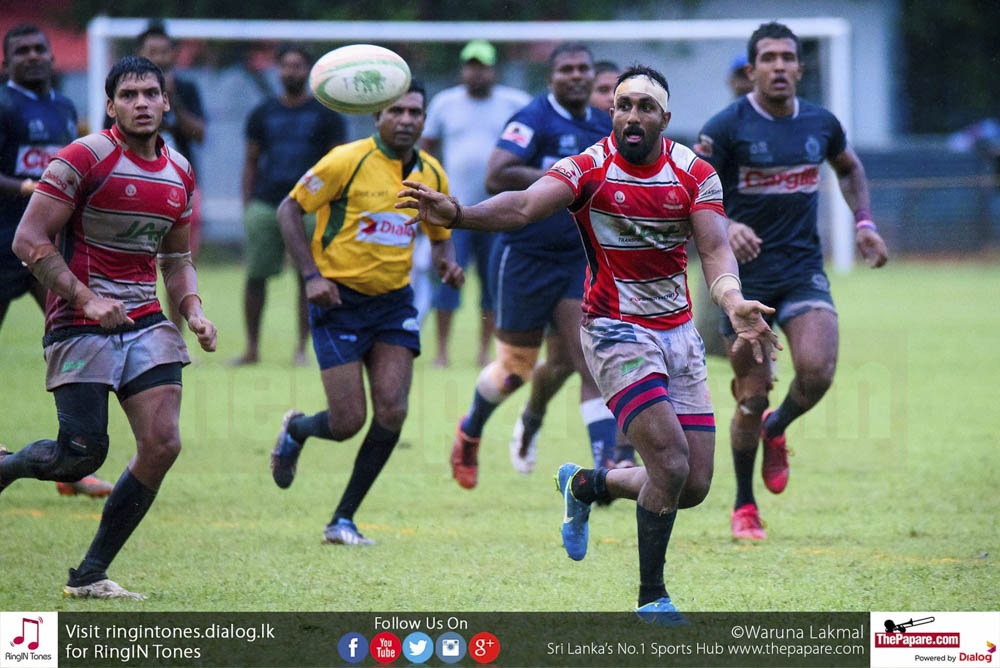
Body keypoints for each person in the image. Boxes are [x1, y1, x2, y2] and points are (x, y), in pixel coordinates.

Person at [398, 65, 779, 621]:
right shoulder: (588, 167)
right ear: (611, 114)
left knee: (693, 484)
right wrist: (458, 214)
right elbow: (523, 206)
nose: (632, 115)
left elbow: (716, 249)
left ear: (665, 119)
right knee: (670, 463)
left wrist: (732, 299)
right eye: (623, 105)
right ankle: (652, 597)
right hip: (613, 331)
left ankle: (585, 483)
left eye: (645, 107)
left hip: (678, 334)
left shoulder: (695, 173)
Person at [0, 56, 218, 599]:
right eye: (128, 95)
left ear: (166, 102)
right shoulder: (84, 158)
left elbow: (176, 258)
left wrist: (192, 309)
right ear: (110, 106)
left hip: (145, 321)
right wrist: (88, 298)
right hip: (79, 321)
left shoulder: (180, 171)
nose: (141, 103)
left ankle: (90, 574)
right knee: (80, 455)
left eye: (150, 94)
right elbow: (28, 240)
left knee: (162, 443)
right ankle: (6, 466)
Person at [694, 22, 888, 541]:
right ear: (752, 69)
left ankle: (777, 429)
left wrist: (864, 223)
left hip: (802, 270)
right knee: (751, 396)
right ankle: (744, 504)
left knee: (818, 372)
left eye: (787, 57)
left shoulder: (821, 123)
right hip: (743, 283)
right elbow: (690, 193)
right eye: (769, 58)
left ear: (800, 68)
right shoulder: (726, 127)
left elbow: (849, 169)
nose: (778, 66)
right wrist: (727, 224)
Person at [268, 80, 464, 546]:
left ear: (424, 119)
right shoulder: (345, 160)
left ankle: (343, 519)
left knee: (392, 411)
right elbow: (288, 211)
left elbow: (440, 234)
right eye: (396, 111)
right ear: (377, 116)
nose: (406, 120)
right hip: (338, 301)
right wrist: (311, 277)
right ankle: (297, 429)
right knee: (347, 422)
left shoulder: (432, 173)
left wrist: (446, 263)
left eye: (415, 112)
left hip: (394, 303)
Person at [446, 42, 615, 487]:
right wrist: (564, 177)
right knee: (515, 369)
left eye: (583, 68)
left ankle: (608, 466)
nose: (576, 75)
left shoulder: (603, 124)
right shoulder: (532, 119)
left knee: (590, 360)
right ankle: (470, 430)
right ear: (550, 78)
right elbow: (496, 174)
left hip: (578, 259)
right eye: (566, 69)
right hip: (525, 256)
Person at [0, 24, 113, 499]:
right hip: (4, 243)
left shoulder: (66, 107)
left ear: (51, 56)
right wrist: (30, 187)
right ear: (6, 62)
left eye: (38, 49)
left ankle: (71, 459)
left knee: (75, 341)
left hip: (47, 249)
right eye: (21, 50)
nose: (32, 56)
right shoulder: (4, 105)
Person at [233, 44, 346, 366]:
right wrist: (248, 203)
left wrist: (334, 206)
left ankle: (302, 349)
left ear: (308, 71)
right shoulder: (263, 113)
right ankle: (252, 349)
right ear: (278, 70)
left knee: (308, 277)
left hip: (312, 207)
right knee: (256, 276)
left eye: (298, 66)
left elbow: (339, 165)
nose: (291, 72)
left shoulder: (326, 115)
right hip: (266, 203)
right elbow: (251, 161)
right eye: (286, 65)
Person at [421, 39, 531, 368]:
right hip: (453, 212)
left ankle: (485, 352)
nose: (477, 73)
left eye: (483, 66)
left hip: (498, 212)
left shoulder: (515, 103)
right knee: (447, 278)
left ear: (494, 70)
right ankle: (442, 351)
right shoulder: (445, 103)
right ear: (462, 69)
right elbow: (425, 149)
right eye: (471, 66)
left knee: (492, 283)